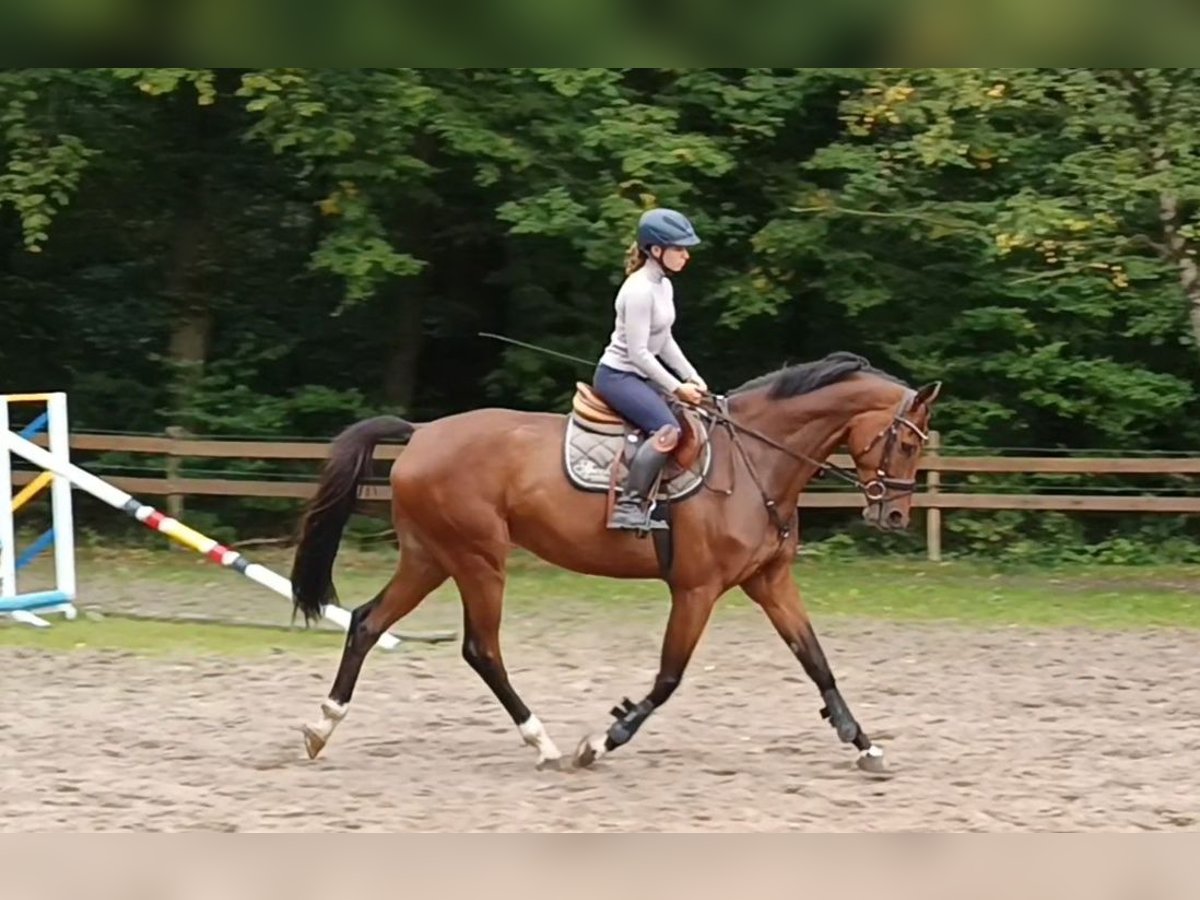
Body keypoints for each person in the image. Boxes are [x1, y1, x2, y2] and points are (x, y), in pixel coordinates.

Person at [593, 207, 709, 531]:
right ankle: (628, 507)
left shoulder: (663, 286)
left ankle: (661, 501)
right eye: (679, 248)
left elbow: (664, 340)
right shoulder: (639, 290)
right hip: (618, 376)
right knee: (667, 429)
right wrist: (677, 388)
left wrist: (692, 376)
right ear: (656, 250)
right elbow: (640, 353)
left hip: (642, 375)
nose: (686, 255)